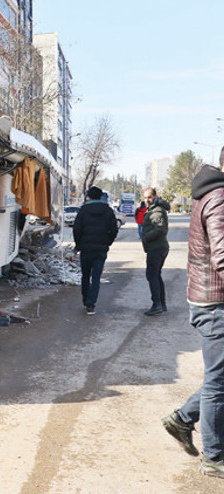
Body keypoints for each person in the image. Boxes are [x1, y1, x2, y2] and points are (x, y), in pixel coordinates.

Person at [162, 148, 224, 478]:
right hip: (216, 304)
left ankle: (183, 419)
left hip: (209, 299)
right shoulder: (220, 197)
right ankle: (214, 458)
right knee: (218, 382)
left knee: (220, 377)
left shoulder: (209, 193)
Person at [72, 186, 118, 315]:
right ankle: (91, 305)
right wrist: (107, 242)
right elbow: (114, 230)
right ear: (100, 197)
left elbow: (76, 229)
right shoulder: (108, 211)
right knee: (96, 278)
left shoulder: (83, 210)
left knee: (85, 276)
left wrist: (79, 245)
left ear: (89, 197)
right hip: (101, 249)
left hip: (86, 250)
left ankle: (86, 300)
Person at [140, 187, 170, 315]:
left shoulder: (157, 210)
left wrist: (146, 238)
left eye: (149, 197)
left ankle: (157, 304)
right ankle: (161, 304)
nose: (147, 200)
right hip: (157, 248)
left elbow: (160, 229)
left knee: (152, 275)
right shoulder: (153, 209)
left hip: (156, 248)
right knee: (156, 275)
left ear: (155, 196)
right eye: (145, 197)